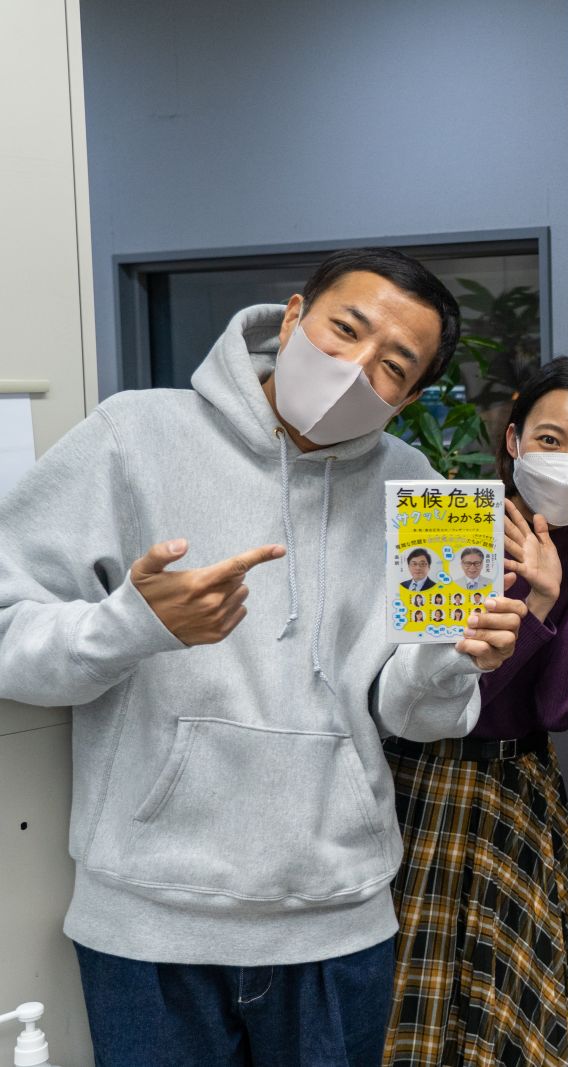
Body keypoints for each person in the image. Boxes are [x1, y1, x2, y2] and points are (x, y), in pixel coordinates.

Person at [0, 247, 527, 1064]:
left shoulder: (416, 489)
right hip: (149, 922)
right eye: (344, 330)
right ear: (291, 317)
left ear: (414, 395)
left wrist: (453, 659)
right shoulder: (133, 434)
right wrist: (133, 623)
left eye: (392, 366)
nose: (355, 369)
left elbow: (411, 714)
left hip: (337, 919)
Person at [385, 358, 568, 1067]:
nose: (567, 462)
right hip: (419, 785)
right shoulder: (454, 525)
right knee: (410, 998)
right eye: (549, 439)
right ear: (513, 440)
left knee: (514, 999)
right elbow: (451, 701)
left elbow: (557, 707)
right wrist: (537, 603)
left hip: (517, 790)